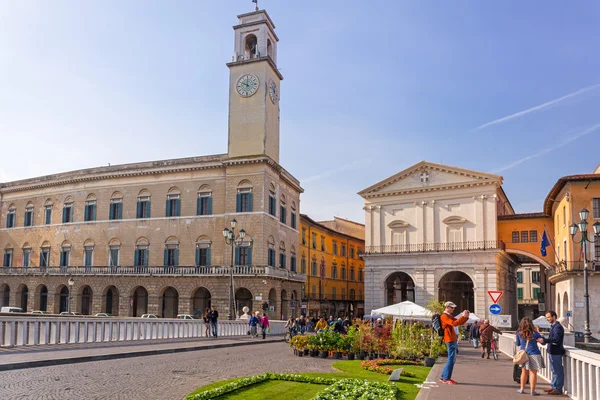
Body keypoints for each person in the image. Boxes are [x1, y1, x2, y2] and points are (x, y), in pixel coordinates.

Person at [439, 301, 469, 385]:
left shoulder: (448, 316)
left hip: (451, 338)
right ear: (447, 307)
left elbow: (459, 322)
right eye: (452, 307)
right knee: (451, 359)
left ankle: (443, 377)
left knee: (451, 359)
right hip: (450, 339)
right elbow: (454, 323)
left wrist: (465, 317)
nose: (453, 309)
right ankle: (446, 378)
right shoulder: (444, 316)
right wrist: (463, 316)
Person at [537, 311, 565, 395]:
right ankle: (553, 387)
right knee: (554, 370)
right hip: (552, 351)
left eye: (549, 317)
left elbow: (556, 339)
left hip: (556, 352)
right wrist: (543, 339)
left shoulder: (558, 327)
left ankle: (558, 389)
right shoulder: (553, 326)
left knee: (557, 371)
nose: (547, 319)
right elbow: (552, 339)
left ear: (554, 317)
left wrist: (544, 340)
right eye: (546, 318)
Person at [516, 317, 545, 396]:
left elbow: (518, 344)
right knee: (533, 373)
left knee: (524, 372)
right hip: (534, 353)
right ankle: (533, 391)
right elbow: (542, 340)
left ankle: (522, 389)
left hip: (524, 355)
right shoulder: (535, 333)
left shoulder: (519, 333)